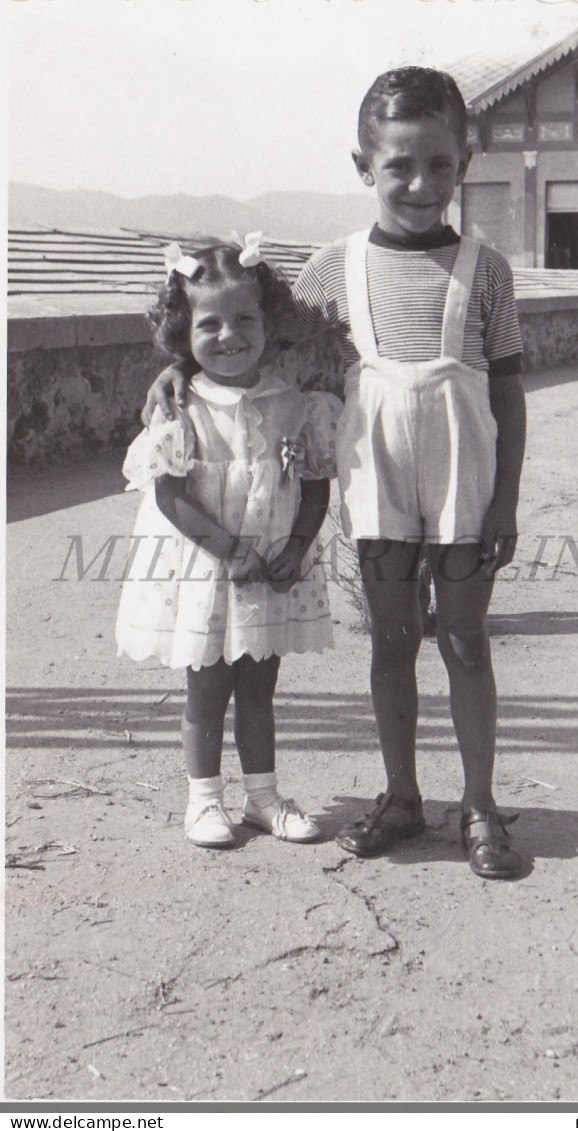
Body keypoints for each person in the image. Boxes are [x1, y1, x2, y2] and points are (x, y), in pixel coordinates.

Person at [143, 67, 527, 879]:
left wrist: (506, 504)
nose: (421, 185)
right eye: (398, 167)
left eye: (440, 165)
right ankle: (400, 795)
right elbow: (244, 343)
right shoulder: (330, 269)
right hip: (376, 481)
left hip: (467, 483)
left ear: (465, 159)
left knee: (462, 639)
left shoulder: (486, 272)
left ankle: (480, 804)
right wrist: (172, 370)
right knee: (392, 640)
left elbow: (506, 392)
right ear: (363, 166)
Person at [117, 240, 342, 849]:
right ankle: (203, 800)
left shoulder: (294, 404)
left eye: (245, 319)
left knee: (259, 687)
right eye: (208, 323)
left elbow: (315, 485)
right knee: (207, 687)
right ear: (182, 331)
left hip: (270, 568)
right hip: (206, 569)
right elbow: (172, 497)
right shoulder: (179, 405)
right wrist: (230, 550)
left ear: (270, 323)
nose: (229, 335)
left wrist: (295, 546)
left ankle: (263, 799)